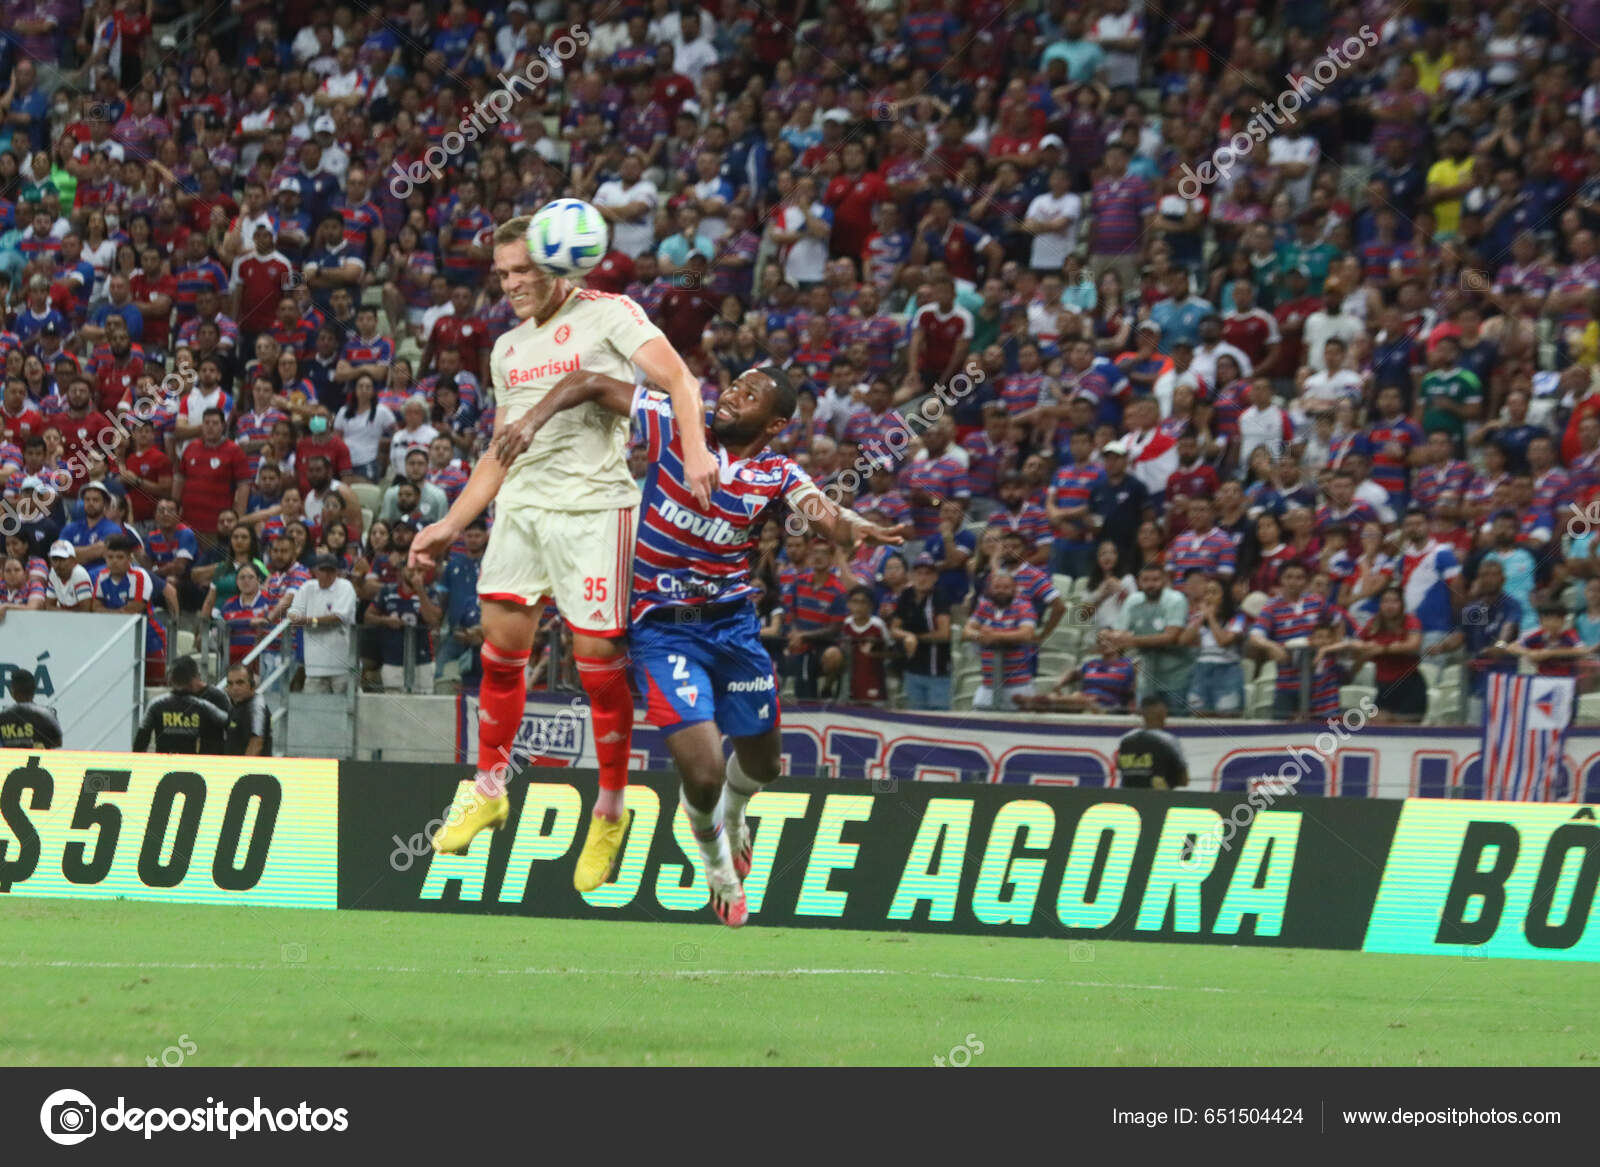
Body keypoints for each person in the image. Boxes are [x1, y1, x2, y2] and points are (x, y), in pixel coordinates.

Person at [475, 361, 901, 925]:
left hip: (732, 628)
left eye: (749, 396)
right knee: (702, 770)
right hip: (662, 628)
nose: (732, 395)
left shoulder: (776, 472)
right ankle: (719, 867)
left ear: (773, 424)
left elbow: (824, 515)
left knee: (764, 764)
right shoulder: (677, 422)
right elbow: (595, 383)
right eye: (735, 384)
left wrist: (854, 524)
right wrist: (532, 417)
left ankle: (736, 809)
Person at [409, 215, 718, 893]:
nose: (513, 284)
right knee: (499, 645)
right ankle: (489, 784)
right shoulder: (507, 349)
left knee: (597, 663)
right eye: (504, 274)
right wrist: (451, 525)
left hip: (595, 511)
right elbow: (499, 451)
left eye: (525, 270)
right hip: (522, 510)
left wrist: (695, 448)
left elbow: (682, 383)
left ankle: (609, 808)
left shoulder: (610, 313)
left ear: (558, 264)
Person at [965, 569, 1039, 711]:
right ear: (990, 589)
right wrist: (980, 636)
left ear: (1014, 589)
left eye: (1006, 587)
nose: (1001, 591)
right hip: (988, 684)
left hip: (1018, 686)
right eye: (997, 587)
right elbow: (967, 631)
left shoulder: (1023, 607)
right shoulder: (984, 606)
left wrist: (994, 635)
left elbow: (1027, 634)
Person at [287, 553, 357, 692]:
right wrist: (299, 619)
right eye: (323, 570)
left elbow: (337, 618)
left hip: (342, 665)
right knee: (314, 711)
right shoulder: (307, 587)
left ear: (337, 571)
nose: (327, 574)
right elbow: (293, 614)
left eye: (331, 570)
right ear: (315, 571)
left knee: (345, 710)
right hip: (314, 666)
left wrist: (308, 620)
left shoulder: (345, 586)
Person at [133, 656, 231, 753]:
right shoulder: (159, 704)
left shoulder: (215, 697)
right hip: (175, 762)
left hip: (206, 761)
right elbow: (141, 740)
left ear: (197, 676)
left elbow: (232, 726)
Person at [893, 553, 953, 710]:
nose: (922, 578)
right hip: (912, 671)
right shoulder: (906, 595)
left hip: (937, 673)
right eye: (918, 573)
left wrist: (916, 638)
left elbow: (944, 634)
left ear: (935, 577)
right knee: (915, 722)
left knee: (939, 724)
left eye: (928, 574)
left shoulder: (939, 596)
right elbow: (894, 628)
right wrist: (908, 636)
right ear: (911, 576)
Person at [1114, 695, 1189, 789]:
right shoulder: (1169, 740)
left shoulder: (1126, 738)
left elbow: (1119, 768)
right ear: (1163, 713)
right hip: (1157, 798)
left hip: (1127, 797)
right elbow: (1184, 780)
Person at [0, 669, 62, 749]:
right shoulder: (48, 714)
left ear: (13, 691)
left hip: (13, 760)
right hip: (36, 759)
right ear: (33, 690)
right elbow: (58, 742)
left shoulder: (4, 716)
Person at [223, 664, 272, 756]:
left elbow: (256, 743)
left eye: (240, 683)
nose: (234, 688)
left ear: (252, 685)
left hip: (249, 768)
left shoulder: (256, 706)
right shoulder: (236, 705)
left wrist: (243, 769)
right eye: (230, 683)